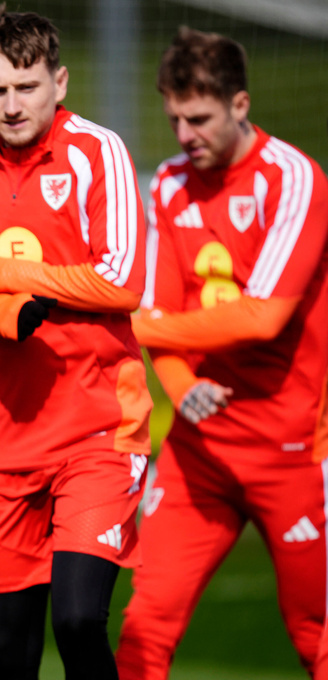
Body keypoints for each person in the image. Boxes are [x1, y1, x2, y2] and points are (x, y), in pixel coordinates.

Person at [0, 6, 151, 679]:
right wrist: (0, 312)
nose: (11, 105)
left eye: (26, 87)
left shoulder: (97, 152)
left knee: (78, 621)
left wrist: (1, 274)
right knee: (6, 652)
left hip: (99, 430)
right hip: (5, 436)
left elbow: (123, 280)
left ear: (60, 83)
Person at [115, 26, 328, 680]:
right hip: (199, 449)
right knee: (144, 625)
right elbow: (164, 307)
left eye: (199, 118)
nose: (183, 134)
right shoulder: (169, 185)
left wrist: (143, 330)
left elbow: (262, 319)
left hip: (295, 449)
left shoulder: (295, 178)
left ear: (240, 105)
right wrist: (179, 390)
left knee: (314, 631)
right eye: (174, 118)